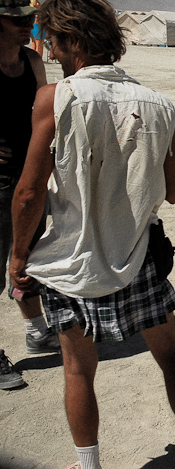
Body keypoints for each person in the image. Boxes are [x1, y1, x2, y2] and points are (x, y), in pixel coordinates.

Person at [9, 1, 175, 468]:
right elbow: (174, 191)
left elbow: (29, 193)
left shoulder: (55, 98)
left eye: (52, 41)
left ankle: (88, 465)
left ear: (72, 40)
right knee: (170, 354)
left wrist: (17, 257)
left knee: (77, 369)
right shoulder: (157, 103)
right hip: (136, 255)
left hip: (72, 259)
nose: (49, 51)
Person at [0, 0, 59, 373]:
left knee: (28, 260)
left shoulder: (31, 62)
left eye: (29, 19)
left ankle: (36, 331)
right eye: (16, 19)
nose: (27, 26)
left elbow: (45, 114)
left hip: (29, 179)